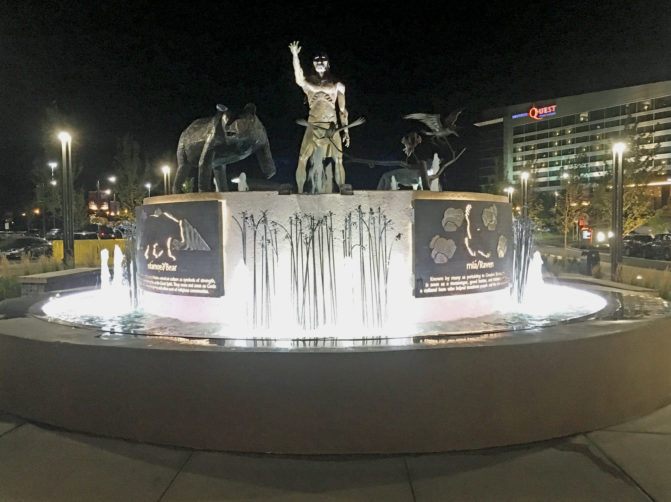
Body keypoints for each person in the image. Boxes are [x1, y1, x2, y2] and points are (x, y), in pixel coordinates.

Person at [289, 41, 349, 193]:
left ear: (328, 63)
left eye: (322, 60)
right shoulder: (308, 83)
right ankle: (301, 191)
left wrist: (346, 131)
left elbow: (342, 109)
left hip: (331, 126)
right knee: (302, 158)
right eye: (317, 61)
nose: (320, 63)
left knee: (339, 159)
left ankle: (342, 188)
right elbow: (298, 77)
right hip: (313, 124)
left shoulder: (337, 85)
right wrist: (295, 55)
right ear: (313, 64)